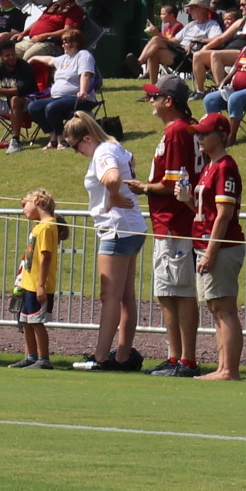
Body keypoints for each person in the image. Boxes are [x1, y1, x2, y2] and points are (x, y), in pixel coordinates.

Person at [69, 112, 145, 371]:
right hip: (131, 228)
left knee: (109, 296)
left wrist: (111, 198)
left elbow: (112, 178)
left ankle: (101, 357)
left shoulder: (102, 152)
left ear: (87, 138)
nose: (76, 151)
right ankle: (122, 355)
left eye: (75, 146)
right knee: (125, 297)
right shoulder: (115, 146)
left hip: (116, 229)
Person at [137, 82, 203, 377]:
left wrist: (143, 187)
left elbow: (173, 183)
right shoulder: (184, 128)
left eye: (155, 96)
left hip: (175, 222)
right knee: (168, 290)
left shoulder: (178, 130)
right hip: (170, 222)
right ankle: (175, 356)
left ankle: (185, 358)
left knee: (179, 290)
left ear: (169, 100)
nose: (151, 100)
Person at [188, 112, 246, 381]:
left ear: (222, 135)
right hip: (207, 243)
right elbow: (208, 211)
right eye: (198, 133)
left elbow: (224, 214)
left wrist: (211, 251)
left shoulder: (224, 166)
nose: (199, 137)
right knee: (216, 308)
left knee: (224, 308)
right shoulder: (211, 165)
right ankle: (222, 366)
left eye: (205, 133)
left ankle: (229, 370)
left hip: (221, 247)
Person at [10, 189, 64, 368]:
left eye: (25, 205)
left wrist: (41, 285)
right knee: (25, 321)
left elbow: (45, 256)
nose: (22, 210)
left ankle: (44, 359)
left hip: (38, 285)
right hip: (28, 283)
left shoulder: (48, 226)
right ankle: (31, 356)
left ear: (39, 201)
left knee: (37, 322)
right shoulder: (39, 226)